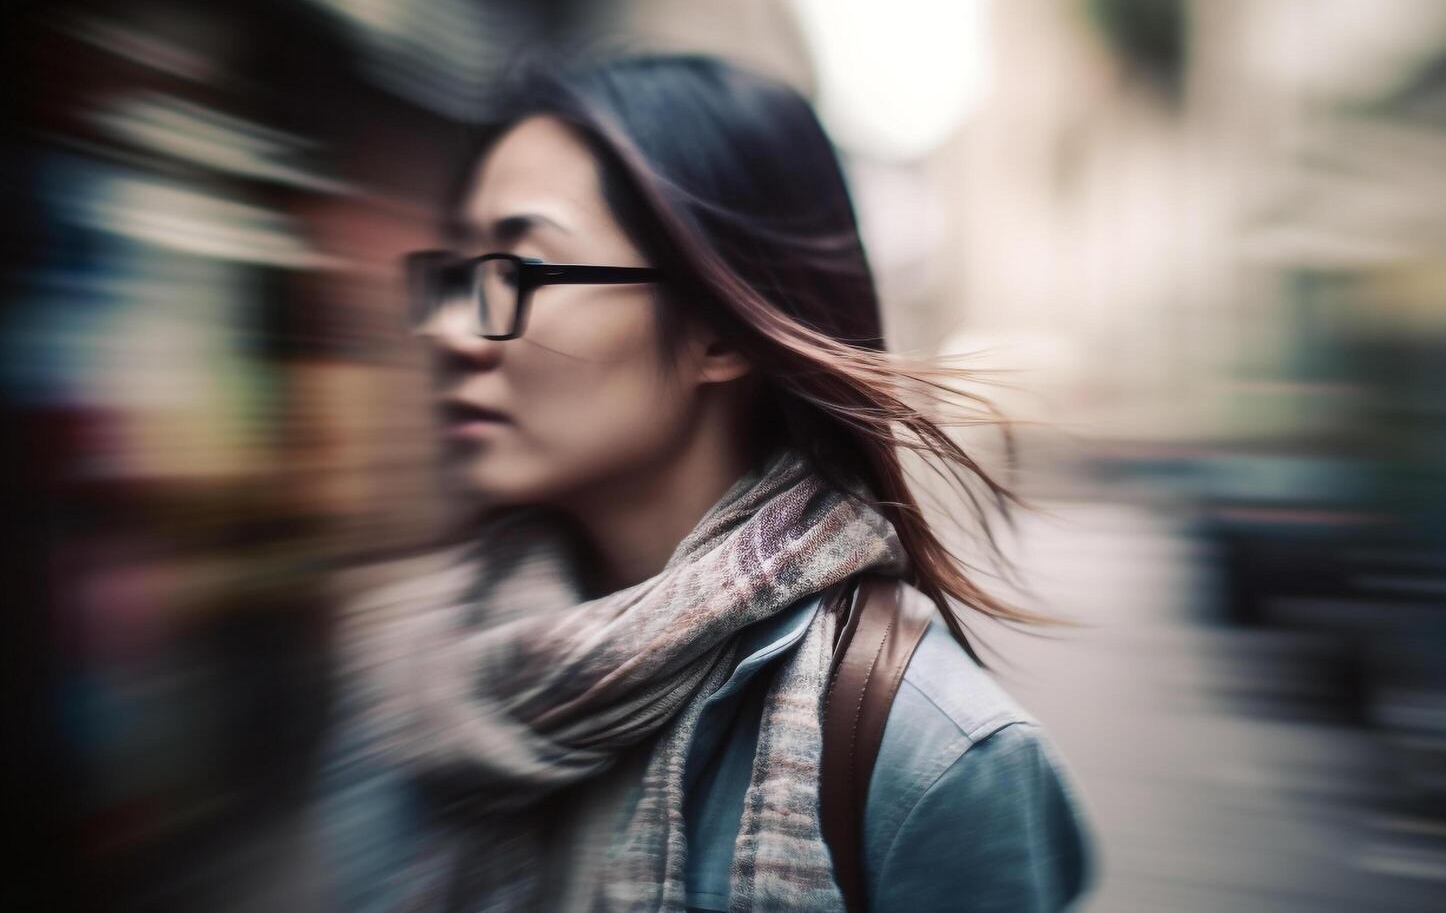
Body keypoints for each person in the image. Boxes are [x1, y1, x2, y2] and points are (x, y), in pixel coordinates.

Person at [314, 51, 1094, 912]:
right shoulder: (421, 678)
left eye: (521, 271)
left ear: (720, 334)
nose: (456, 331)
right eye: (459, 275)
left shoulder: (935, 759)